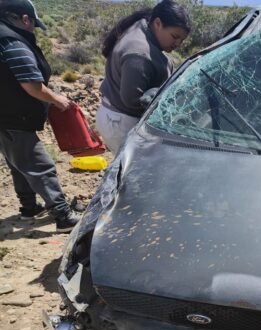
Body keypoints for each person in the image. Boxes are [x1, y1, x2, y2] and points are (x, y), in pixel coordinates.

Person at [0, 0, 80, 231]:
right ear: (25, 19)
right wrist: (56, 99)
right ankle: (63, 216)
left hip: (5, 116)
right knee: (40, 166)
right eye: (33, 24)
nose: (33, 29)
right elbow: (31, 84)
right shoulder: (13, 42)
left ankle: (29, 208)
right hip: (15, 117)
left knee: (18, 163)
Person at [96, 0, 191, 152]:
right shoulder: (139, 53)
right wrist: (160, 97)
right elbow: (132, 100)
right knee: (137, 167)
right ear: (158, 23)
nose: (178, 43)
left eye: (182, 40)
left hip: (115, 116)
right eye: (174, 36)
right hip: (122, 123)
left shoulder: (144, 29)